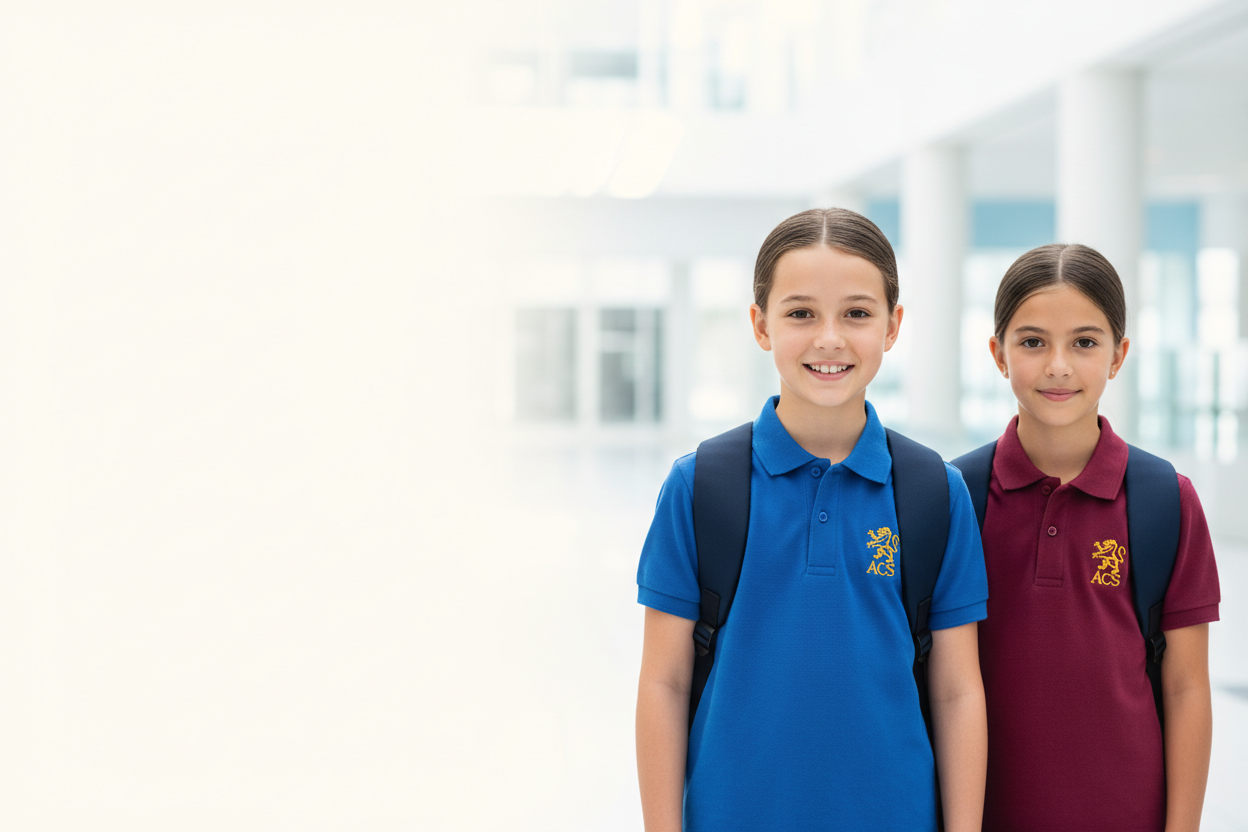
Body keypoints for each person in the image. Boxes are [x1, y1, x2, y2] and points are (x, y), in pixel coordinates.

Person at [634, 208, 989, 832]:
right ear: (760, 325)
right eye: (801, 313)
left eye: (856, 313)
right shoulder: (699, 487)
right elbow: (663, 682)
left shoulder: (936, 492)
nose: (829, 338)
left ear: (893, 325)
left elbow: (958, 692)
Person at [969, 243, 1220, 832]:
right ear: (998, 354)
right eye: (1032, 342)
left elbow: (1186, 688)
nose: (1058, 365)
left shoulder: (1166, 500)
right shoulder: (955, 496)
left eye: (1085, 342)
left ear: (1118, 355)